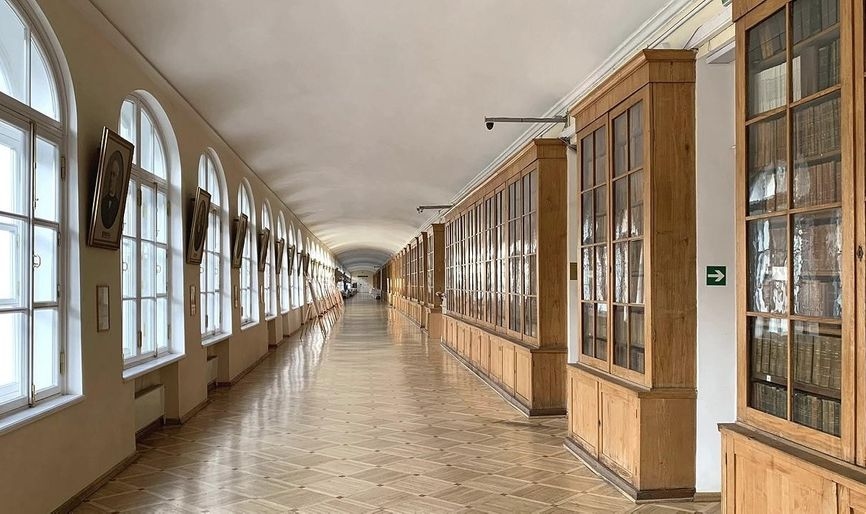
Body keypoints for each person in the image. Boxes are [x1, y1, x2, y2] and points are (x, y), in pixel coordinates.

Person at [100, 151, 124, 229]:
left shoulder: (117, 204)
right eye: (110, 174)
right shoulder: (103, 201)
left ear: (117, 178)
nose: (111, 179)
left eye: (114, 175)